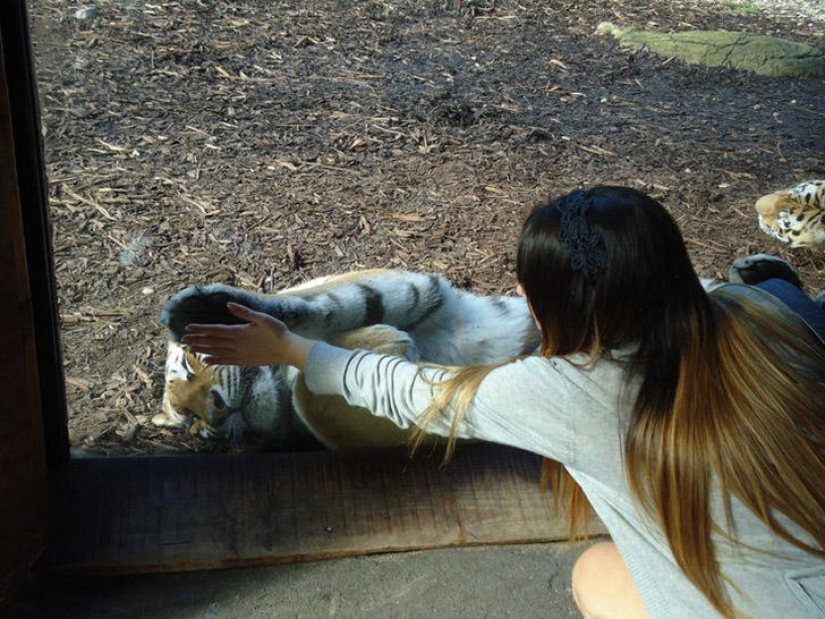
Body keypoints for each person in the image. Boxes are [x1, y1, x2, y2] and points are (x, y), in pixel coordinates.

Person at [181, 186, 825, 619]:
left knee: (593, 576)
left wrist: (294, 348)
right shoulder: (763, 314)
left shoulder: (568, 390)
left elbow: (407, 391)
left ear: (542, 298)